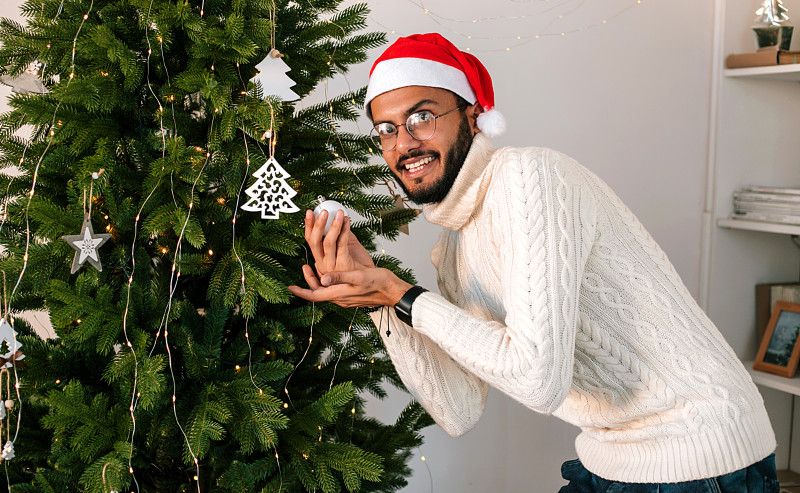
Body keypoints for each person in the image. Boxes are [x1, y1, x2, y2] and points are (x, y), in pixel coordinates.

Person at [288, 33, 779, 492]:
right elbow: (458, 411)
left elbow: (537, 382)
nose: (403, 144)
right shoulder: (455, 247)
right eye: (387, 129)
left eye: (421, 117)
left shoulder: (529, 177)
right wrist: (378, 302)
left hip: (701, 455)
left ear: (474, 115)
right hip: (607, 457)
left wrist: (401, 294)